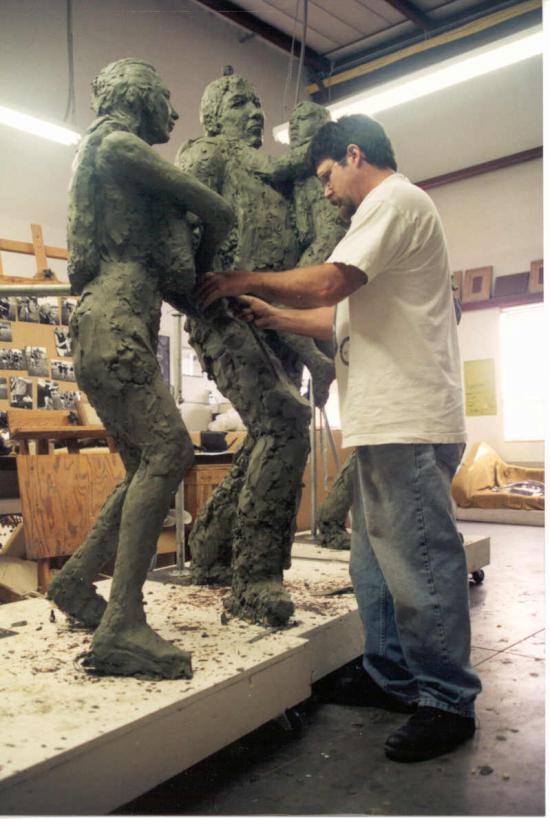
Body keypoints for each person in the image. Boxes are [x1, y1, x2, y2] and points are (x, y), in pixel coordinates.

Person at [198, 113, 482, 762]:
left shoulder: (395, 202)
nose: (324, 191)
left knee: (421, 563)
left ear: (355, 155)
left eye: (327, 176)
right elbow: (340, 320)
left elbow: (329, 282)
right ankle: (391, 675)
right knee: (373, 566)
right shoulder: (377, 222)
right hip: (383, 422)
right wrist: (274, 316)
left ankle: (447, 700)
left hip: (409, 422)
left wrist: (246, 278)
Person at [47, 58, 233, 680]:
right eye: (166, 98)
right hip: (116, 327)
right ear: (137, 96)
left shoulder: (108, 168)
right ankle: (122, 622)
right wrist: (210, 264)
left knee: (144, 464)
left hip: (104, 327)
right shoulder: (118, 146)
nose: (175, 114)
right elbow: (219, 209)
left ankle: (76, 580)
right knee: (170, 452)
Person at [171, 70, 313, 626]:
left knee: (272, 431)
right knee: (285, 421)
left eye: (257, 104)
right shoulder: (208, 156)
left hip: (278, 324)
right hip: (225, 313)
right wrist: (205, 300)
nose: (254, 113)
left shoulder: (276, 178)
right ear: (213, 117)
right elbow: (179, 241)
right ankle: (254, 578)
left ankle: (210, 546)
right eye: (238, 103)